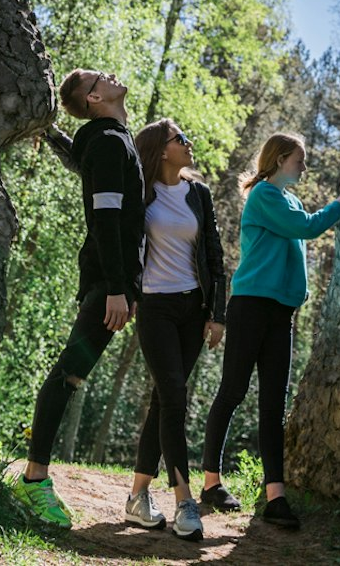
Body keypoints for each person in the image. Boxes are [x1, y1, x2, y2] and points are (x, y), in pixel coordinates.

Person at [199, 133, 340, 531]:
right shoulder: (265, 196)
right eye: (299, 160)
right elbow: (306, 229)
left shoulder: (291, 199)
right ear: (281, 158)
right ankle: (211, 483)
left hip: (280, 312)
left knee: (273, 404)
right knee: (232, 390)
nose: (304, 167)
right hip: (250, 306)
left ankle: (275, 497)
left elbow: (300, 225)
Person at [12, 68, 144, 531]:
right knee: (69, 372)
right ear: (93, 97)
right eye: (99, 77)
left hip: (111, 282)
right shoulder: (109, 142)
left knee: (71, 372)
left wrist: (49, 133)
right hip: (107, 284)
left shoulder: (107, 140)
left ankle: (34, 477)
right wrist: (115, 287)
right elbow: (105, 219)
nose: (110, 74)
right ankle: (34, 480)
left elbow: (80, 160)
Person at [123, 117, 227, 541]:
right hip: (156, 308)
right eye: (180, 138)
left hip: (192, 306)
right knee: (175, 397)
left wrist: (218, 313)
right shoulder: (141, 193)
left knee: (166, 400)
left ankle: (136, 496)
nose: (188, 143)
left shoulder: (198, 193)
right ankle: (185, 500)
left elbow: (215, 255)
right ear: (162, 149)